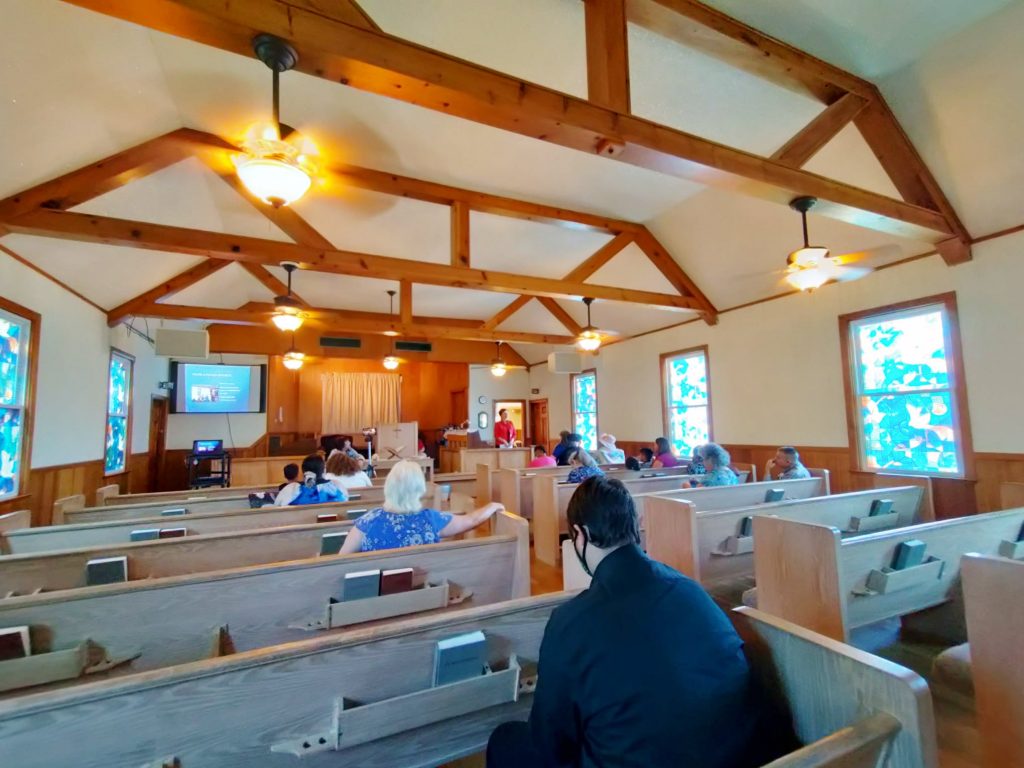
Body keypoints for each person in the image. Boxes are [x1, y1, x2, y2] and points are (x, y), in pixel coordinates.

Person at [486, 476, 765, 767]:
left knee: (506, 739)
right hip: (738, 753)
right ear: (634, 525)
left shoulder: (571, 621)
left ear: (580, 534)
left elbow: (552, 741)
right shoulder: (690, 589)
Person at [340, 459, 504, 553]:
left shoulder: (368, 521)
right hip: (424, 596)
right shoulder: (430, 520)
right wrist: (492, 506)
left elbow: (342, 559)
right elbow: (472, 520)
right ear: (419, 489)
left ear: (388, 486)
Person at [275, 454, 348, 506]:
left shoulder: (293, 488)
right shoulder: (337, 486)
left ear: (303, 472)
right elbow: (346, 502)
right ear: (324, 470)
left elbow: (277, 508)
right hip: (335, 526)